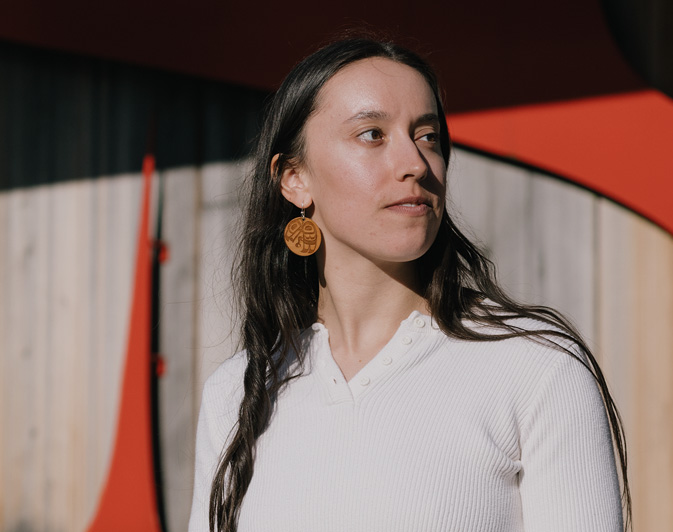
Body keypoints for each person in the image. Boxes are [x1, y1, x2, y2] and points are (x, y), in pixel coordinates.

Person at [187, 37, 630, 532]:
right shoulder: (238, 392)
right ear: (294, 179)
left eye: (427, 136)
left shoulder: (536, 368)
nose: (416, 164)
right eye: (372, 134)